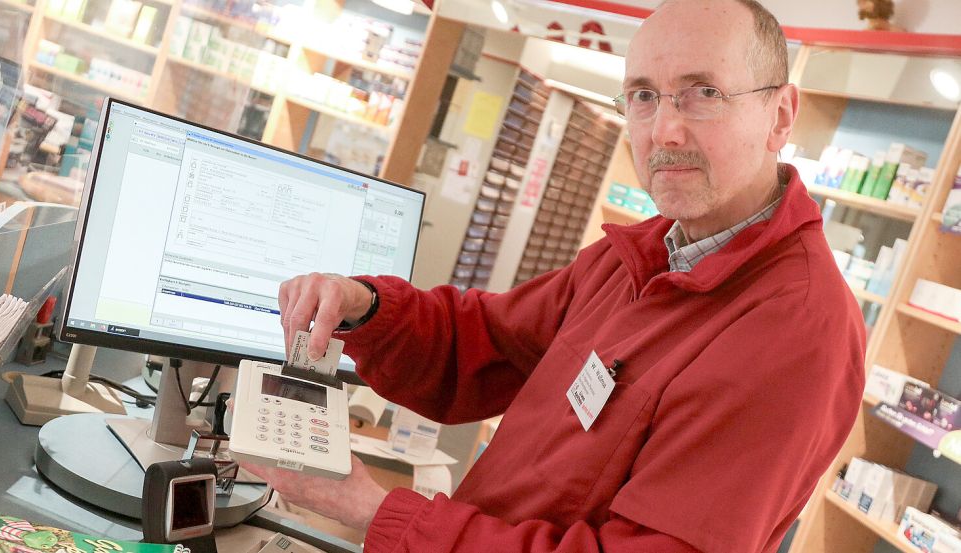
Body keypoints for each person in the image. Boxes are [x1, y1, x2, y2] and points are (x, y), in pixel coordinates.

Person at [242, 0, 866, 551]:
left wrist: (377, 510)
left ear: (781, 115)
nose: (664, 131)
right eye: (644, 96)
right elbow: (482, 341)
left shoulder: (795, 328)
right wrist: (366, 305)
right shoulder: (642, 255)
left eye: (704, 93)